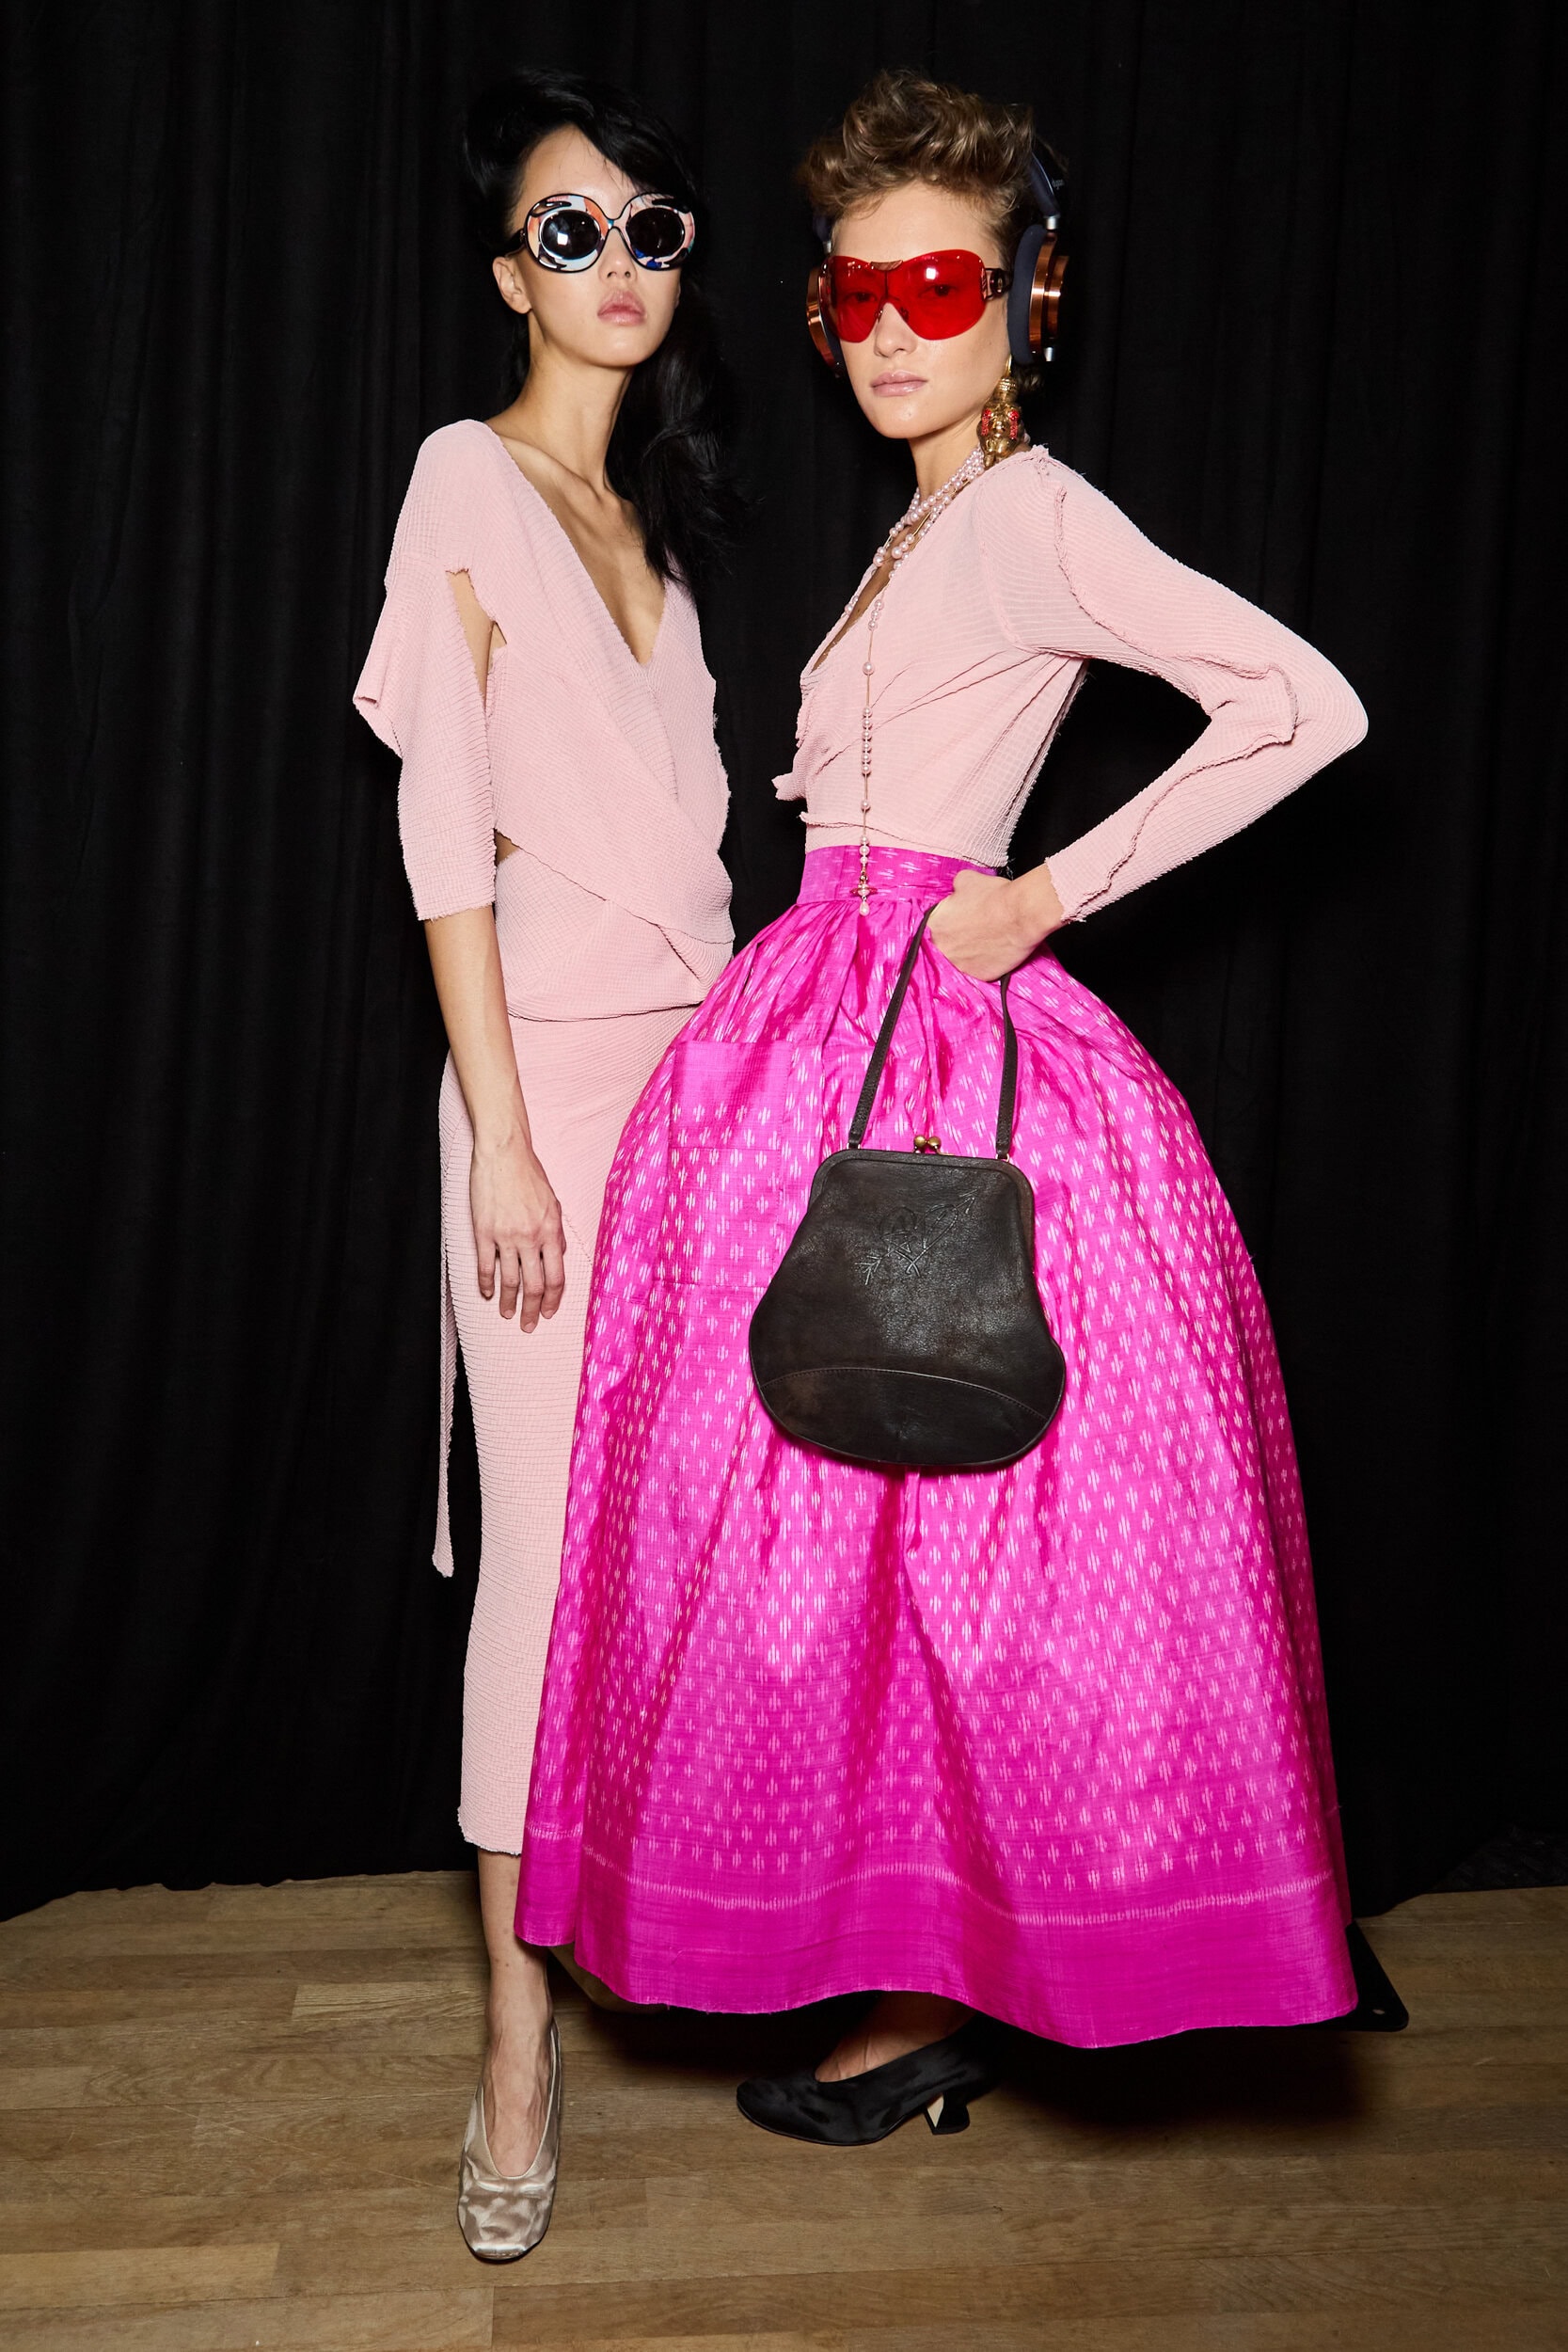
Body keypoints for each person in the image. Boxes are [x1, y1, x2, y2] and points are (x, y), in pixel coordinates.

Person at [515, 68, 1368, 2144]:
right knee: (848, 1534)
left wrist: (1049, 894)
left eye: (941, 287)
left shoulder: (1037, 514)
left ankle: (951, 1990)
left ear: (1025, 300)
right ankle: (904, 1966)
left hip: (930, 1033)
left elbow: (1307, 705)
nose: (894, 330)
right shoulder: (927, 529)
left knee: (955, 1518)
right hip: (813, 1015)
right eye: (856, 295)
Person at [353, 69, 735, 2251]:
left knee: (687, 1548)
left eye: (648, 230)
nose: (611, 264)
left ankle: (715, 1934)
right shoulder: (463, 477)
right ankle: (517, 2049)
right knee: (544, 1563)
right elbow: (444, 832)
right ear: (511, 273)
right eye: (567, 230)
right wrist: (500, 1133)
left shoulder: (657, 544)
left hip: (698, 1103)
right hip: (548, 1103)